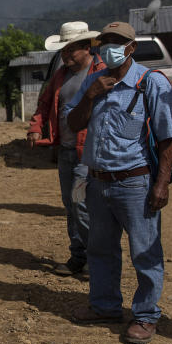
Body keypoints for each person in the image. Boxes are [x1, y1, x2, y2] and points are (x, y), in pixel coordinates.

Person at [65, 22, 172, 344]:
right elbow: (74, 124)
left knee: (145, 251)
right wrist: (90, 94)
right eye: (106, 42)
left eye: (118, 42)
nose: (110, 47)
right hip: (98, 182)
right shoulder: (93, 80)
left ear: (131, 48)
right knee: (100, 248)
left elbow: (167, 137)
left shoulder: (150, 83)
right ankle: (105, 306)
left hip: (135, 182)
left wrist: (162, 183)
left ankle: (145, 315)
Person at [28, 21, 104, 276]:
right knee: (70, 205)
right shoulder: (62, 75)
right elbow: (45, 102)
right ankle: (78, 256)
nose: (65, 55)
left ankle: (97, 260)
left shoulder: (101, 73)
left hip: (89, 152)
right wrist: (35, 126)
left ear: (85, 48)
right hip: (67, 151)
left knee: (80, 203)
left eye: (70, 50)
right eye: (63, 51)